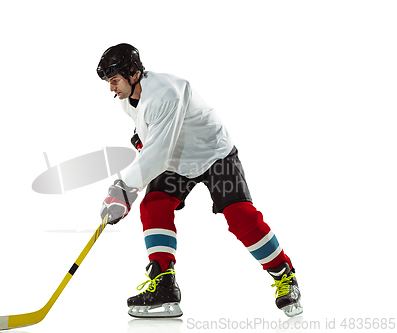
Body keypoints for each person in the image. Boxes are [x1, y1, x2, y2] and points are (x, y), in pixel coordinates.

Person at [97, 43, 302, 318]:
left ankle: (285, 276)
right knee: (154, 205)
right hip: (177, 158)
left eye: (114, 80)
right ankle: (164, 286)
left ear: (132, 72)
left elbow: (156, 154)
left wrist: (122, 190)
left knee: (239, 215)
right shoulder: (127, 98)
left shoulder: (165, 92)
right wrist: (140, 137)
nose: (111, 88)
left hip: (213, 153)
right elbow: (153, 132)